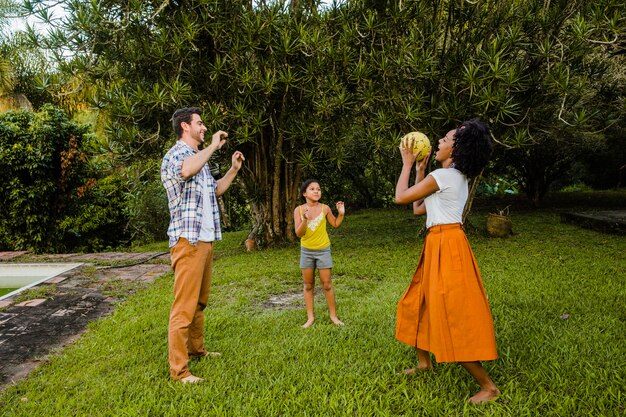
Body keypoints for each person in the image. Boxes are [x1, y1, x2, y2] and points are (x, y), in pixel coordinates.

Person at [394, 119, 500, 404]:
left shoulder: (447, 177)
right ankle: (424, 362)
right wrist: (419, 170)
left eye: (446, 138)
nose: (439, 141)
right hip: (439, 242)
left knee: (452, 315)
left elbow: (401, 198)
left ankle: (488, 387)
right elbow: (419, 208)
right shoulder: (449, 176)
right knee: (419, 300)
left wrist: (405, 164)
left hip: (447, 244)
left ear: (457, 148)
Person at [161, 107, 245, 384]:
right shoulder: (176, 156)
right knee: (183, 307)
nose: (205, 127)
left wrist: (233, 170)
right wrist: (211, 147)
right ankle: (180, 371)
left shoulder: (200, 160)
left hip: (205, 241)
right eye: (200, 123)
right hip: (188, 241)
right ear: (185, 127)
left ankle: (197, 350)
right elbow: (186, 170)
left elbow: (215, 189)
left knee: (199, 302)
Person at [294, 179, 346, 328]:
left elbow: (335, 224)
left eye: (318, 189)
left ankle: (333, 316)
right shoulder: (299, 210)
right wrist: (304, 220)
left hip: (323, 250)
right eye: (312, 189)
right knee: (308, 285)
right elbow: (299, 233)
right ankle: (310, 318)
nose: (316, 191)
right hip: (306, 252)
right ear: (304, 193)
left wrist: (341, 214)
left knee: (327, 284)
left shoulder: (325, 208)